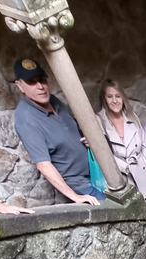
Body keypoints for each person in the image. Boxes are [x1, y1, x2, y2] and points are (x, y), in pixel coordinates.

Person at [12, 58, 104, 205]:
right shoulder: (25, 118)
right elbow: (43, 164)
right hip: (79, 185)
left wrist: (86, 139)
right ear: (20, 85)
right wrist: (75, 196)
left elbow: (69, 131)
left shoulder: (53, 100)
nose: (40, 86)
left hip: (97, 174)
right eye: (32, 82)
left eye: (42, 80)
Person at [96, 79, 146, 199]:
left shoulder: (131, 116)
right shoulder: (99, 121)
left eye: (118, 96)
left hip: (141, 173)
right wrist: (124, 167)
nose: (114, 101)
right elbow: (103, 153)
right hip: (120, 178)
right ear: (104, 99)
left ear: (123, 98)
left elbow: (145, 145)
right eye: (110, 97)